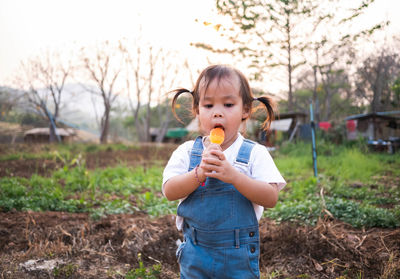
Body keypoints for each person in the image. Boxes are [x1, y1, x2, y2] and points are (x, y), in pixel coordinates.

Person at [162, 65, 286, 279]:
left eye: (228, 104)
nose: (217, 112)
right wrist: (198, 173)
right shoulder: (188, 152)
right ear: (197, 110)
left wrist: (235, 177)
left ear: (245, 110)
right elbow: (170, 191)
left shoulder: (254, 153)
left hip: (238, 258)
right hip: (196, 254)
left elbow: (271, 197)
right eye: (208, 105)